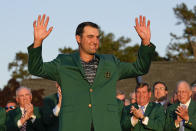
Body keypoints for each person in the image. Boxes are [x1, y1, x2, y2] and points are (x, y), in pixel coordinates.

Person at [28, 14, 155, 131]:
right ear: (78, 38)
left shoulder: (111, 62)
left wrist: (145, 43)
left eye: (97, 37)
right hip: (74, 125)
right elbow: (36, 68)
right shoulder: (63, 62)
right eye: (90, 36)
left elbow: (140, 68)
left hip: (107, 125)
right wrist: (38, 42)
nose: (95, 41)